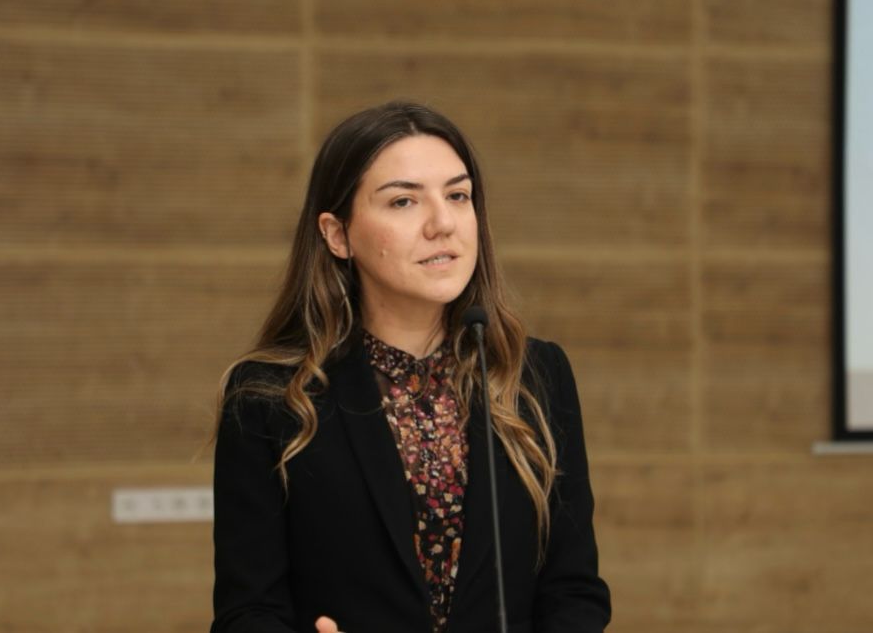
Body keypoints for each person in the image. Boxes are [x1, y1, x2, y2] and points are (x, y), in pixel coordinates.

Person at [210, 101, 611, 633]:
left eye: (458, 195)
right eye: (403, 201)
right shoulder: (268, 395)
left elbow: (574, 592)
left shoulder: (536, 375)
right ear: (337, 234)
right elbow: (247, 611)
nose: (442, 223)